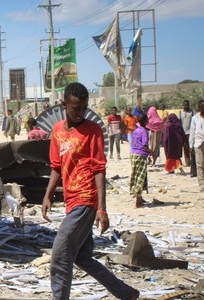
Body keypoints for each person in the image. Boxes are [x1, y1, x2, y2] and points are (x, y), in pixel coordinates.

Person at [42, 82, 139, 300]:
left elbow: (98, 169)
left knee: (60, 253)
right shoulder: (57, 131)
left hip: (85, 200)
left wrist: (101, 209)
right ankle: (126, 293)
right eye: (75, 108)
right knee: (82, 257)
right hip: (70, 200)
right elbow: (56, 166)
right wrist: (48, 195)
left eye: (83, 108)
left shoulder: (93, 130)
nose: (80, 113)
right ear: (64, 104)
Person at [130, 113, 151, 208]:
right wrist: (152, 152)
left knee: (137, 175)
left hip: (133, 154)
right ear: (146, 121)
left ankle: (140, 197)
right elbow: (145, 145)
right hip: (140, 154)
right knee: (140, 177)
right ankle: (138, 201)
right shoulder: (143, 131)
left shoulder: (136, 130)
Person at [179, 100, 194, 167]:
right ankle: (187, 162)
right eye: (185, 105)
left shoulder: (192, 112)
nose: (186, 106)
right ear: (183, 105)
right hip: (183, 132)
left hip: (190, 132)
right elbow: (179, 122)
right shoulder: (180, 112)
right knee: (185, 148)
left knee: (191, 147)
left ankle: (193, 161)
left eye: (187, 105)